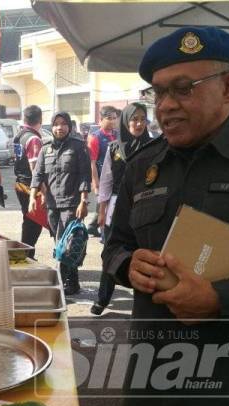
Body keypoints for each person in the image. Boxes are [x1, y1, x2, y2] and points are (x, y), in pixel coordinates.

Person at [103, 26, 229, 406]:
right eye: (157, 93)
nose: (166, 107)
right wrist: (128, 265)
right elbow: (114, 245)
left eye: (184, 89)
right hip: (153, 394)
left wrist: (222, 300)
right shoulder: (143, 166)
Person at [91, 103, 151, 315]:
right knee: (111, 253)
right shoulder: (114, 148)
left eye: (143, 119)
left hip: (145, 206)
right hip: (117, 208)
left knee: (143, 255)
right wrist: (101, 210)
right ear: (126, 121)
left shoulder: (154, 146)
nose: (138, 123)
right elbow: (106, 181)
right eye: (134, 119)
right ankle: (102, 299)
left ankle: (141, 304)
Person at [29, 112, 91, 296]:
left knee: (66, 244)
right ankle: (73, 281)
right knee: (60, 242)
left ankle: (66, 281)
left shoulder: (78, 147)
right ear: (52, 126)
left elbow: (84, 175)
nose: (60, 127)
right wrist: (33, 197)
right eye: (56, 124)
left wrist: (84, 201)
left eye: (64, 124)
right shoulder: (45, 148)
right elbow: (38, 174)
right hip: (52, 205)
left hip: (71, 203)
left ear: (69, 127)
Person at [13, 105, 45, 258]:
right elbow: (35, 169)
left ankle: (25, 254)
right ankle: (26, 256)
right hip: (29, 187)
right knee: (34, 223)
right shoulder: (33, 139)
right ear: (40, 119)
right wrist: (42, 190)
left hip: (20, 183)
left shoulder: (19, 135)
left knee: (29, 221)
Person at [86, 105, 119, 237]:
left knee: (107, 204)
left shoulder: (117, 135)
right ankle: (100, 228)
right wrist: (95, 182)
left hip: (115, 177)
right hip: (101, 177)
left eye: (114, 118)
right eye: (109, 118)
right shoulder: (95, 137)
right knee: (103, 203)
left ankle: (93, 226)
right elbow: (92, 162)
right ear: (101, 120)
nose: (112, 121)